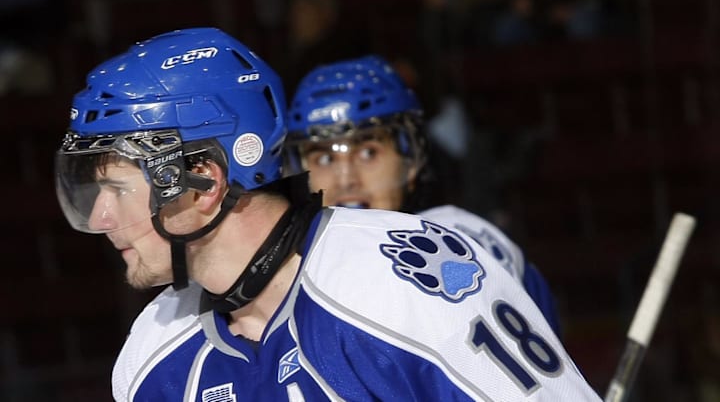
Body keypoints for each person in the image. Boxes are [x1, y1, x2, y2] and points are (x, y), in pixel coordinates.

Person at [55, 27, 600, 400]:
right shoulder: (151, 354)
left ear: (204, 182)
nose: (101, 217)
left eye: (116, 188)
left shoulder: (402, 277)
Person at [284, 54, 562, 335]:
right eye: (324, 159)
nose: (347, 180)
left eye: (368, 152)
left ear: (411, 159)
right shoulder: (288, 277)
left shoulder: (462, 243)